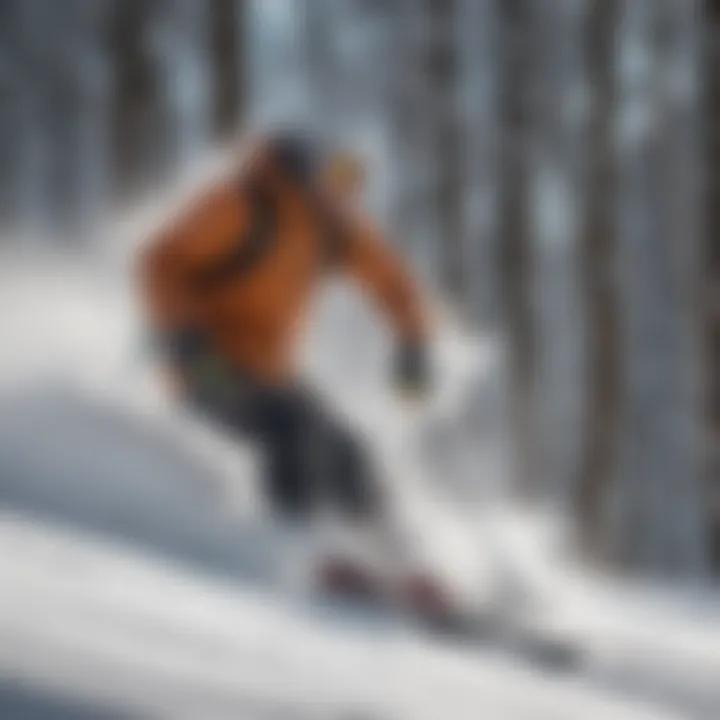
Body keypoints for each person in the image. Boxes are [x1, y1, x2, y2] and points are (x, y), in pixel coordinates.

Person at [137, 132, 432, 527]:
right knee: (290, 431)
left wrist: (412, 340)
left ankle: (388, 554)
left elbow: (390, 279)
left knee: (348, 453)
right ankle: (293, 543)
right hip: (207, 365)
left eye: (347, 183)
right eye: (335, 180)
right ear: (304, 174)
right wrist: (183, 335)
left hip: (270, 373)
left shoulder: (330, 228)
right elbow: (161, 260)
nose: (345, 194)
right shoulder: (240, 204)